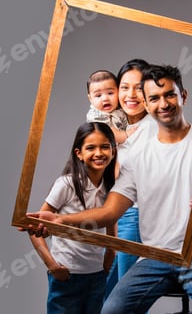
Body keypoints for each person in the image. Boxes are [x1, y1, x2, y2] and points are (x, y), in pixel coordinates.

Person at [28, 64, 192, 313]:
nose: (163, 104)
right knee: (111, 311)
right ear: (147, 104)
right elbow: (109, 213)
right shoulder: (138, 154)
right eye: (154, 98)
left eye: (169, 94)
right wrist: (59, 219)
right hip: (154, 257)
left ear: (183, 95)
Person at [28, 122, 117, 314]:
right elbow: (34, 228)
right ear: (79, 153)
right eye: (90, 148)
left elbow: (112, 235)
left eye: (105, 147)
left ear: (113, 150)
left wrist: (106, 266)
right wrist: (52, 266)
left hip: (96, 276)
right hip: (67, 276)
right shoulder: (67, 184)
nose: (99, 153)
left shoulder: (112, 189)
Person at [104, 59, 157, 298]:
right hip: (114, 214)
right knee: (106, 290)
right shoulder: (117, 123)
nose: (131, 94)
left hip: (135, 215)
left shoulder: (152, 127)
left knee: (125, 295)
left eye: (139, 87)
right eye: (124, 87)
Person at [86, 70, 131, 144]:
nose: (105, 98)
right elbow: (111, 134)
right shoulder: (95, 115)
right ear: (90, 99)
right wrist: (127, 134)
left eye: (110, 93)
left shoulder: (121, 108)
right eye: (98, 95)